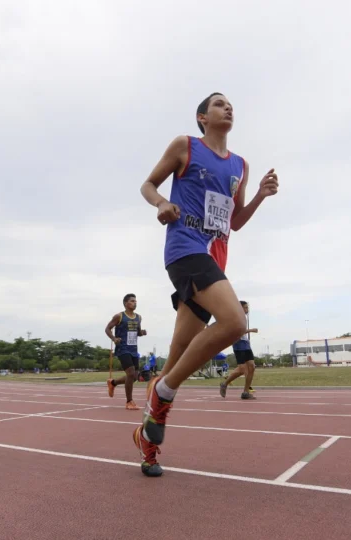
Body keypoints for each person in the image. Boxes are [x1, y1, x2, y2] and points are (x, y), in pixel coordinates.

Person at [133, 92, 279, 477]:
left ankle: (147, 445)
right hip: (185, 250)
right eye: (218, 104)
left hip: (214, 259)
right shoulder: (186, 146)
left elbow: (235, 222)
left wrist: (261, 195)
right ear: (202, 117)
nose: (228, 108)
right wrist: (162, 203)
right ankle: (164, 395)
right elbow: (147, 185)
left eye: (231, 105)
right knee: (234, 323)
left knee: (174, 361)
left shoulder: (241, 167)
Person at [105, 294, 147, 410]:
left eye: (136, 301)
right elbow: (107, 328)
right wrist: (114, 339)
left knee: (134, 377)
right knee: (130, 373)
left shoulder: (138, 317)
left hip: (133, 349)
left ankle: (113, 383)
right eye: (132, 301)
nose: (135, 303)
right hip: (123, 348)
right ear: (125, 303)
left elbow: (137, 332)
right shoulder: (119, 316)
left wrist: (142, 332)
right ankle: (129, 401)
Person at [219, 300, 258, 400]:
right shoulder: (235, 317)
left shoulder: (243, 318)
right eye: (245, 307)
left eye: (247, 307)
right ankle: (225, 383)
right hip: (238, 344)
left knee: (252, 367)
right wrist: (251, 330)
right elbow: (237, 330)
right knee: (242, 370)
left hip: (245, 344)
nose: (247, 309)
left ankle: (245, 392)